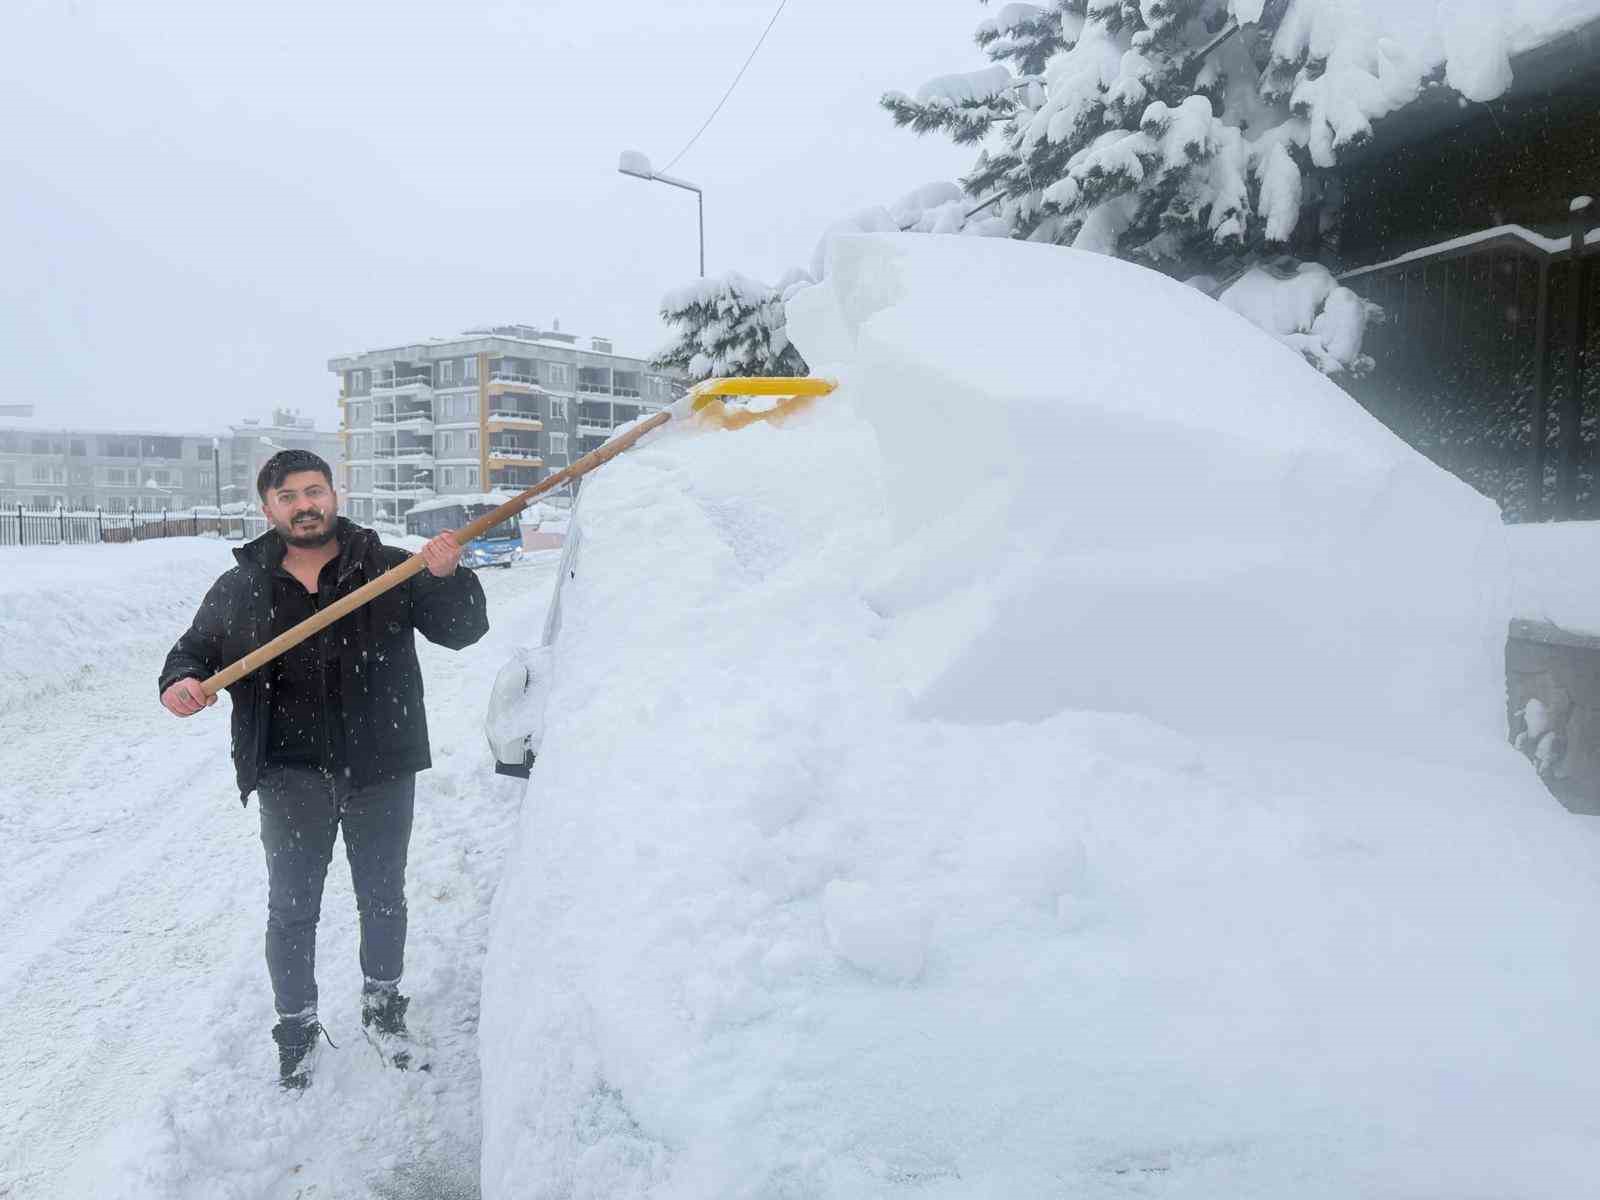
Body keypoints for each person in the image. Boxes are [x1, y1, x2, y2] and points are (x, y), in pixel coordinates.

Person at [158, 449, 489, 1089]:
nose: (304, 505)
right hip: (288, 770)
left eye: (314, 491)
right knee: (291, 907)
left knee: (383, 898)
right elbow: (191, 651)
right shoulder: (242, 585)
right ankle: (297, 1027)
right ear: (267, 509)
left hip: (381, 763)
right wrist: (182, 682)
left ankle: (384, 1010)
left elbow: (463, 630)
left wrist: (447, 577)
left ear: (334, 494)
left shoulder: (389, 567)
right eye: (288, 496)